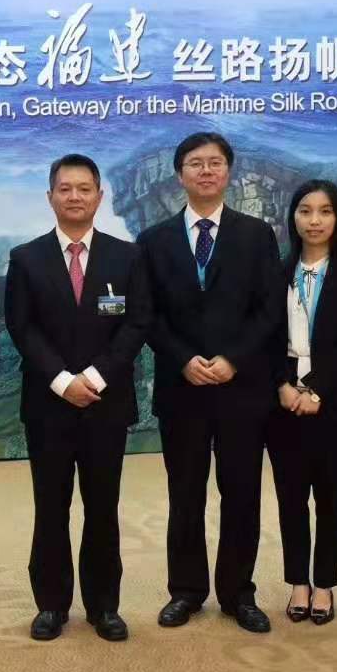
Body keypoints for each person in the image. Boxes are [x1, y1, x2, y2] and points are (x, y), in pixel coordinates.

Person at [137, 132, 282, 634]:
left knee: (241, 494)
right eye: (195, 163)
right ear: (180, 174)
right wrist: (182, 360)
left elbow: (269, 309)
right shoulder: (153, 240)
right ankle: (186, 591)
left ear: (228, 172)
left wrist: (234, 359)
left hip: (242, 389)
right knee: (185, 495)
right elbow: (147, 315)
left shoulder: (256, 234)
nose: (206, 171)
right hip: (182, 390)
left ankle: (239, 593)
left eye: (215, 163)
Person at [4, 154, 150, 643]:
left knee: (103, 508)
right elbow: (22, 327)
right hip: (48, 405)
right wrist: (62, 380)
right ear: (50, 197)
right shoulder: (26, 258)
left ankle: (104, 606)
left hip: (106, 404)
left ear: (99, 197)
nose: (74, 197)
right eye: (65, 189)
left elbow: (136, 324)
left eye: (84, 189)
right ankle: (51, 605)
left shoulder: (127, 257)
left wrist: (95, 376)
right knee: (51, 508)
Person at [267, 180, 337, 627]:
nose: (314, 220)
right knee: (290, 496)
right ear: (293, 217)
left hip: (336, 399)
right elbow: (264, 336)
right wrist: (282, 385)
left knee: (331, 496)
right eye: (305, 211)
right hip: (282, 401)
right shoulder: (276, 272)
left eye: (325, 211)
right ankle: (297, 581)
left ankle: (325, 583)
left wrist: (317, 390)